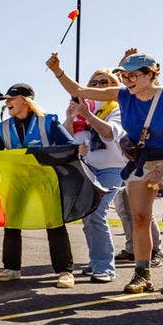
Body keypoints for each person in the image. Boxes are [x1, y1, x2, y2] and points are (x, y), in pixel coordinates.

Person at [52, 52, 163, 298]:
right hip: (144, 158)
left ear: (151, 74)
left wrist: (162, 170)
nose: (127, 80)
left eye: (133, 75)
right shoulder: (121, 95)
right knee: (139, 217)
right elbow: (78, 89)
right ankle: (142, 274)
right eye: (124, 75)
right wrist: (57, 70)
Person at [0, 81, 77, 288]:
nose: (7, 103)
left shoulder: (48, 122)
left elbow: (69, 146)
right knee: (12, 223)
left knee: (55, 225)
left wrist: (45, 157)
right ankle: (12, 268)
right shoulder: (3, 128)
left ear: (25, 101)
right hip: (17, 181)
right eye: (5, 100)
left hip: (45, 180)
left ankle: (65, 272)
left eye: (11, 98)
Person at [58, 68, 126, 284]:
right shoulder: (78, 108)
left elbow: (109, 133)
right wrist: (71, 117)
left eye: (103, 82)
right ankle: (96, 262)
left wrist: (87, 115)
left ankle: (105, 266)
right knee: (88, 217)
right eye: (93, 82)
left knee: (97, 214)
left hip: (111, 168)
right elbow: (65, 139)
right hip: (86, 168)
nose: (97, 85)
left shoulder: (117, 107)